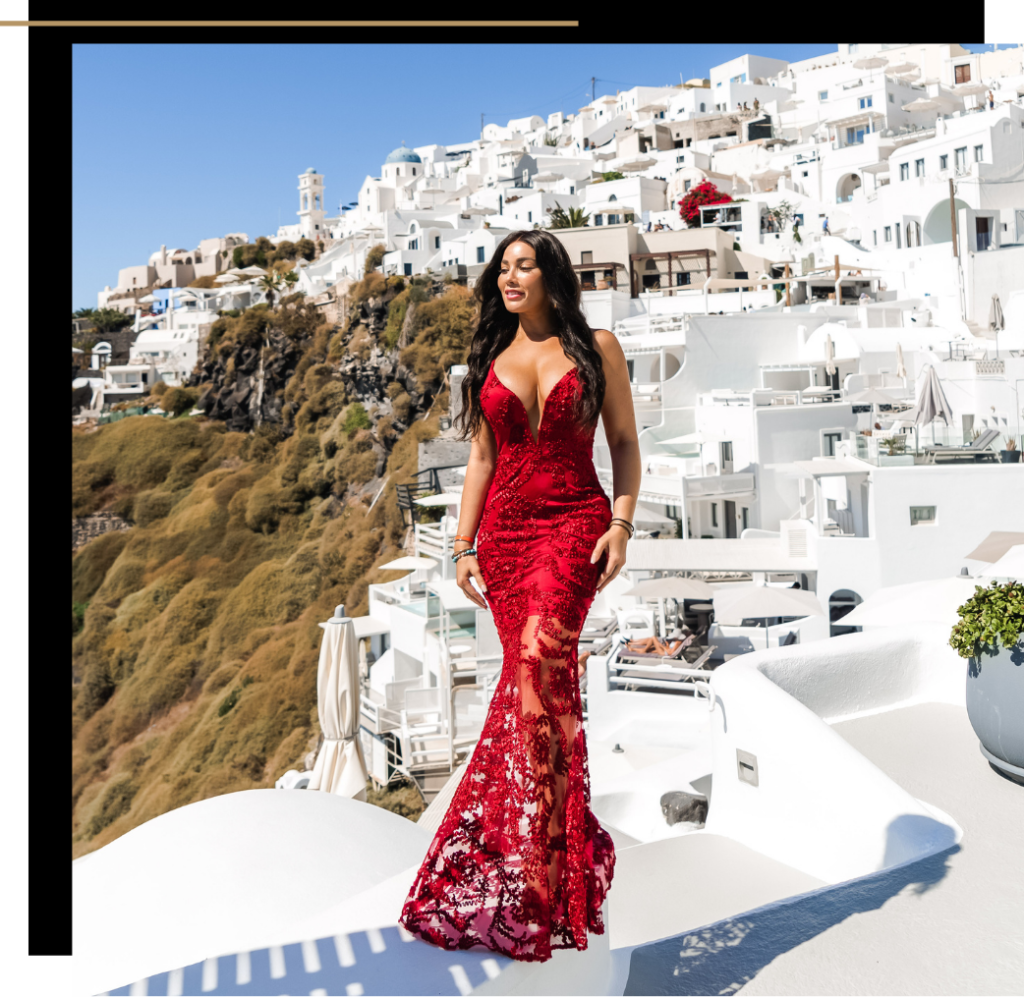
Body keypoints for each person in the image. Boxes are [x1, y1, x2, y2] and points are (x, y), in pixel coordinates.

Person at [399, 230, 640, 963]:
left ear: (552, 275)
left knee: (538, 667)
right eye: (501, 267)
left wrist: (623, 526)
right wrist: (463, 545)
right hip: (504, 539)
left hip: (574, 523)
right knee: (540, 692)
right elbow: (480, 457)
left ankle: (545, 859)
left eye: (523, 265)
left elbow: (626, 443)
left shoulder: (598, 346)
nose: (509, 276)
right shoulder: (490, 360)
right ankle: (555, 854)